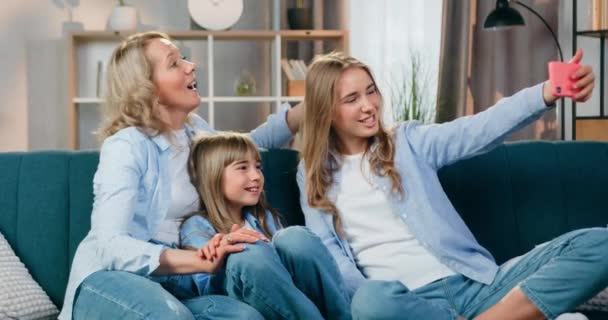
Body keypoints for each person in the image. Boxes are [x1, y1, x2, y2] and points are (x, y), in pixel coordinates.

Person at [297, 50, 607, 320]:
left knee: (600, 243)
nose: (369, 106)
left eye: (371, 91)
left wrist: (546, 91)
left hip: (479, 287)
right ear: (327, 111)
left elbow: (479, 129)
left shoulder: (408, 143)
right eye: (352, 99)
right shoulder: (312, 172)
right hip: (410, 306)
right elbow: (330, 255)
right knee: (369, 301)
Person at [59, 31, 305, 320]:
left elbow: (244, 147)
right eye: (174, 63)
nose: (191, 66)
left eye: (184, 58)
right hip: (111, 277)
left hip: (179, 282)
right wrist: (199, 260)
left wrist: (308, 109)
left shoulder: (195, 132)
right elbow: (111, 245)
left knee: (245, 317)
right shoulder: (126, 145)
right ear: (146, 87)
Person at [178, 132, 351, 319]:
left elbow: (287, 268)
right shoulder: (197, 226)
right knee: (248, 253)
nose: (256, 176)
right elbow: (203, 283)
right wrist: (223, 254)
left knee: (295, 238)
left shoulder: (264, 217)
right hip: (245, 297)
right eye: (243, 168)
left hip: (286, 294)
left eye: (258, 167)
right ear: (214, 176)